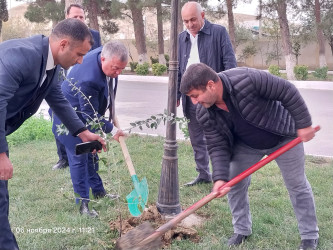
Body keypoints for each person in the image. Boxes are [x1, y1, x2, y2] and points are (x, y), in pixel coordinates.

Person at [180, 63, 319, 249]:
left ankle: (309, 235)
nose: (195, 102)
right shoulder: (204, 112)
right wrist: (220, 178)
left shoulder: (247, 79)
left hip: (284, 137)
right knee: (233, 182)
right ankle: (241, 230)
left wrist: (304, 124)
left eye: (195, 96)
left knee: (297, 184)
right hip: (247, 145)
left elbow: (287, 91)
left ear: (211, 85)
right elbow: (217, 145)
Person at [0, 18, 107, 250]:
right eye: (79, 54)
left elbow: (57, 99)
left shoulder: (52, 64)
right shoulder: (21, 56)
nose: (80, 62)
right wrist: (1, 154)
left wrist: (83, 132)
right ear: (63, 44)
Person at [51, 41, 128, 217]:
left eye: (121, 69)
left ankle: (99, 191)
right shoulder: (89, 79)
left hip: (83, 114)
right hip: (67, 120)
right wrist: (113, 130)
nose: (117, 74)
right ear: (103, 59)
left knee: (93, 152)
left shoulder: (107, 52)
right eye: (115, 68)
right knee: (79, 159)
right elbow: (89, 115)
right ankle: (83, 205)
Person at [177, 1, 237, 186]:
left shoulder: (218, 32)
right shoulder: (181, 38)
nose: (190, 25)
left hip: (214, 97)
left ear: (202, 15)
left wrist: (228, 92)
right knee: (196, 137)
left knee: (221, 136)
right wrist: (176, 96)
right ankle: (203, 174)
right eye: (185, 21)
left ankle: (227, 175)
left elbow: (230, 63)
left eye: (193, 20)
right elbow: (179, 70)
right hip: (192, 100)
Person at [51, 3, 102, 170]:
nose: (79, 19)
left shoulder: (93, 36)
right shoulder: (56, 38)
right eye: (75, 17)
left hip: (83, 89)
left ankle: (90, 158)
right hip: (61, 88)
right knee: (59, 123)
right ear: (67, 18)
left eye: (82, 17)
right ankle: (64, 157)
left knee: (83, 120)